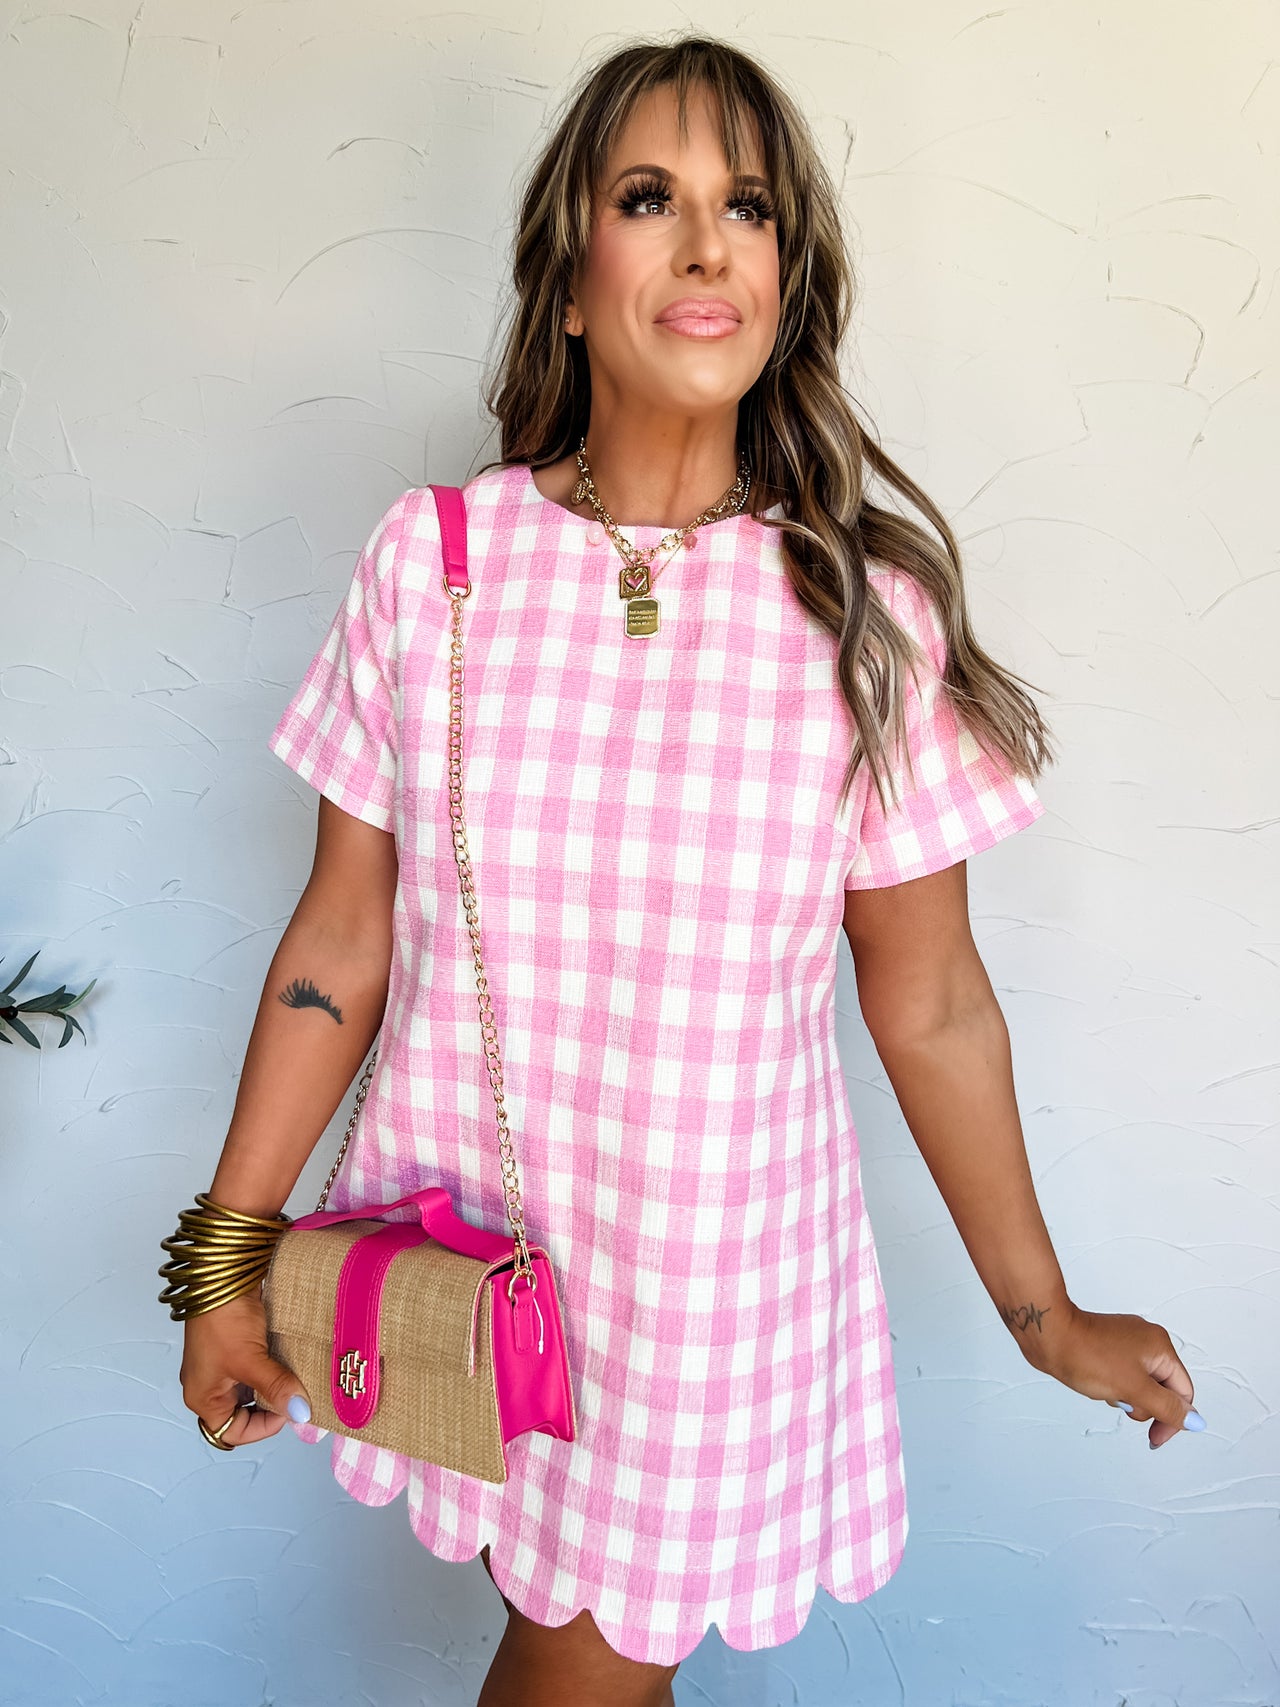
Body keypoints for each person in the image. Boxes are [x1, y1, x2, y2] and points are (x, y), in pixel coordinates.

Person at [164, 34, 1203, 1707]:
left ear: (788, 285)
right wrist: (225, 1263)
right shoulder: (436, 568)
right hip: (456, 1272)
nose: (709, 243)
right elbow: (337, 944)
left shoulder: (861, 624)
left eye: (752, 210)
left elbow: (929, 1002)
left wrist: (1044, 1317)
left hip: (700, 1309)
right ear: (573, 281)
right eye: (651, 199)